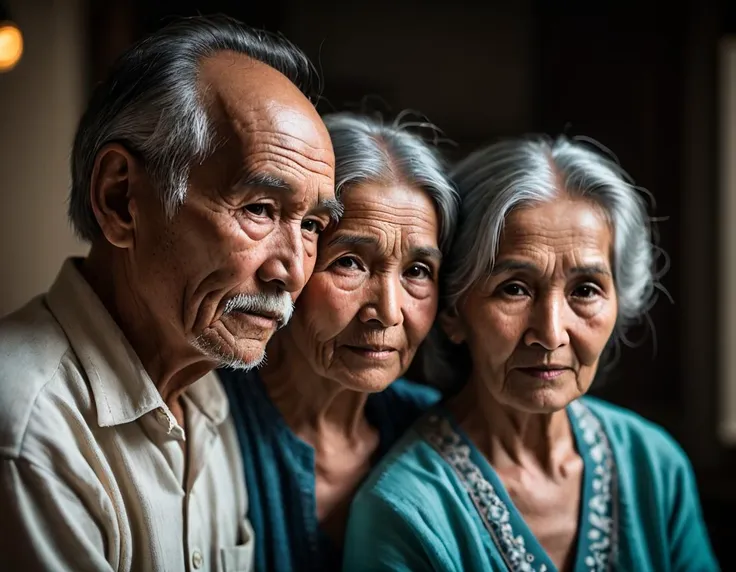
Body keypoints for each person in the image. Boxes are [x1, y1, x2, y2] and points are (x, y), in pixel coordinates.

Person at [0, 15, 338, 571]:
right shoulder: (29, 431)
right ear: (121, 199)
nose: (294, 271)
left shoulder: (211, 392)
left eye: (311, 226)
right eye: (259, 209)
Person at [343, 135, 720, 571]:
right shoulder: (405, 512)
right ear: (452, 311)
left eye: (586, 290)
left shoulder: (654, 465)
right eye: (515, 289)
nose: (550, 333)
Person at [219, 112, 459, 571]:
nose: (388, 311)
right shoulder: (207, 417)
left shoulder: (434, 433)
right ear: (294, 261)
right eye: (350, 263)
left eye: (416, 272)